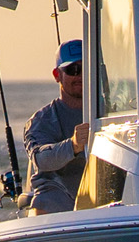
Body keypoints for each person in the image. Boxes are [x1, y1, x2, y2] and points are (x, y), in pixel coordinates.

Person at [20, 39, 89, 214]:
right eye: (73, 70)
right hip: (57, 206)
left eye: (87, 68)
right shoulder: (40, 121)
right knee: (45, 201)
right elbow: (42, 159)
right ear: (57, 75)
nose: (80, 76)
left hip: (104, 200)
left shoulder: (113, 114)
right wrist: (73, 145)